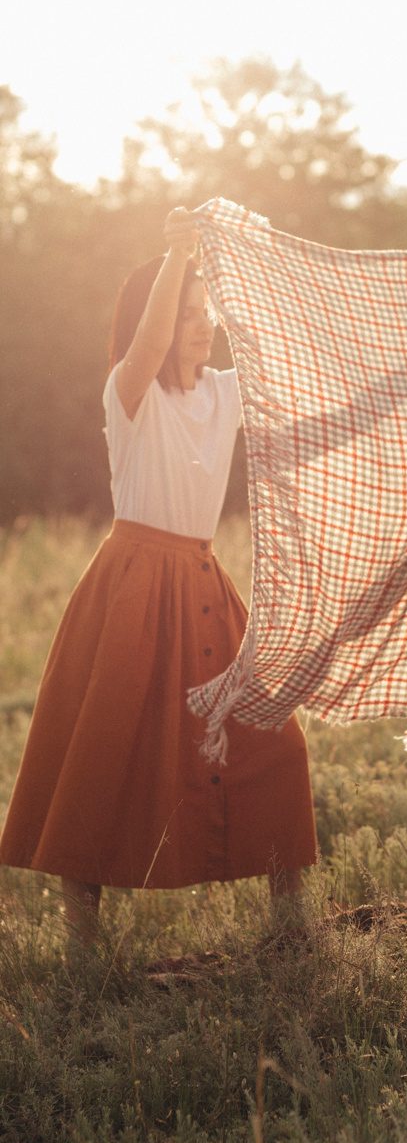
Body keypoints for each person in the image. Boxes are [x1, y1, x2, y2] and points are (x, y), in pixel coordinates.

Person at [0, 208, 317, 944]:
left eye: (205, 314)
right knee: (109, 743)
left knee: (271, 737)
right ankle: (83, 921)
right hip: (135, 583)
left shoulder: (224, 393)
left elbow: (323, 395)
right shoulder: (128, 392)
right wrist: (176, 257)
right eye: (187, 316)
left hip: (203, 582)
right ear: (157, 321)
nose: (203, 328)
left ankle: (287, 912)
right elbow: (143, 343)